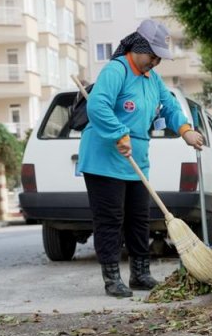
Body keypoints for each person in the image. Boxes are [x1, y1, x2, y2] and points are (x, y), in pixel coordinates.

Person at [78, 19, 205, 298]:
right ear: (138, 47)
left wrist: (185, 130)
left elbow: (169, 106)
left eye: (159, 57)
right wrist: (119, 133)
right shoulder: (117, 70)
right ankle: (112, 279)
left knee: (139, 218)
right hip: (105, 158)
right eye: (153, 55)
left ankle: (140, 274)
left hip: (137, 160)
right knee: (110, 219)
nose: (156, 61)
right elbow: (97, 105)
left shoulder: (152, 78)